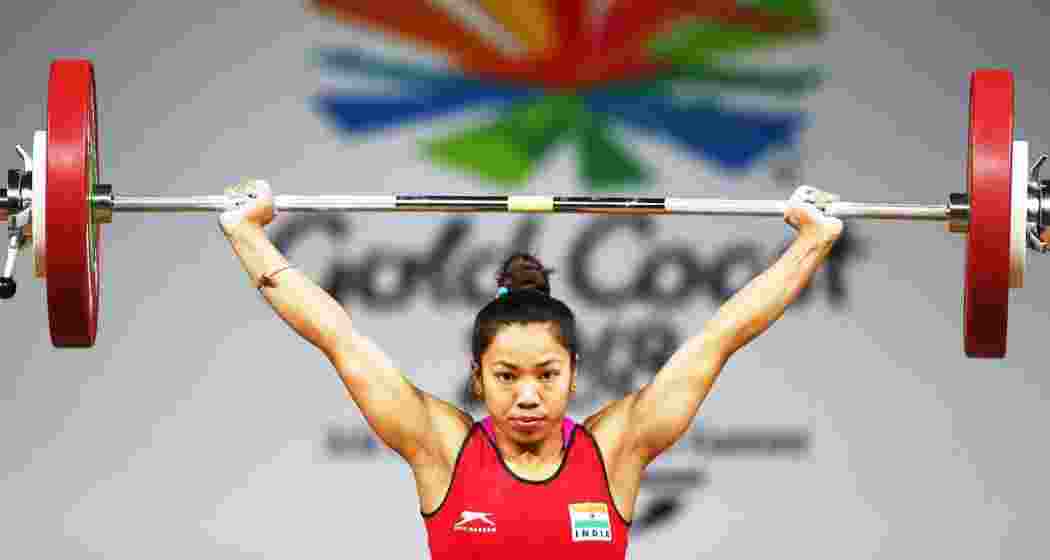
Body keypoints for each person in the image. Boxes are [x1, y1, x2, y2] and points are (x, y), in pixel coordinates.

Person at [219, 182, 843, 559]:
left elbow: (722, 335)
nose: (527, 396)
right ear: (477, 377)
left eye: (546, 375)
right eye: (507, 376)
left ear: (574, 373)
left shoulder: (615, 448)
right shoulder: (442, 447)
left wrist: (812, 241)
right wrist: (246, 234)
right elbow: (337, 337)